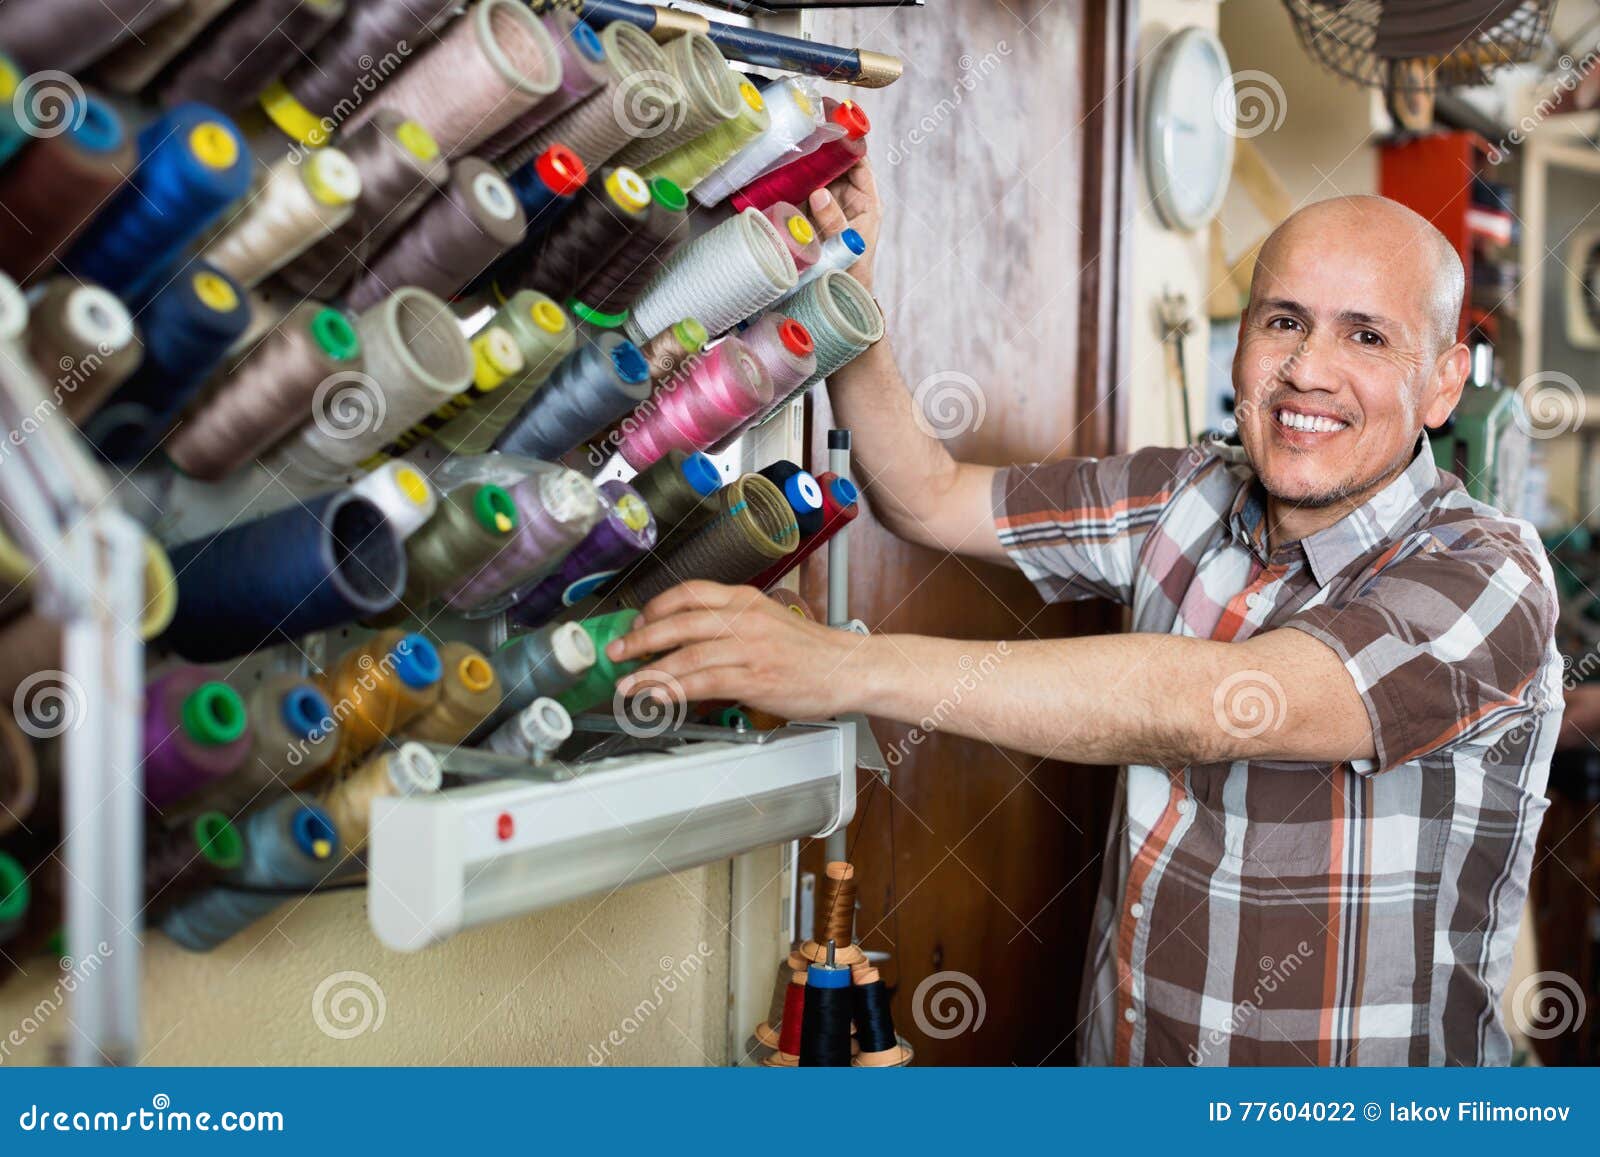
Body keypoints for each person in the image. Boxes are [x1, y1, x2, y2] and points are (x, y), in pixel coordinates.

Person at [606, 166, 1562, 1066]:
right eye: (1283, 321)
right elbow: (929, 493)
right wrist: (844, 292)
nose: (1308, 369)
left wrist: (841, 668)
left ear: (1443, 381)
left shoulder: (1487, 572)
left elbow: (1227, 700)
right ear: (1244, 343)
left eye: (1366, 336)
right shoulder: (1183, 495)